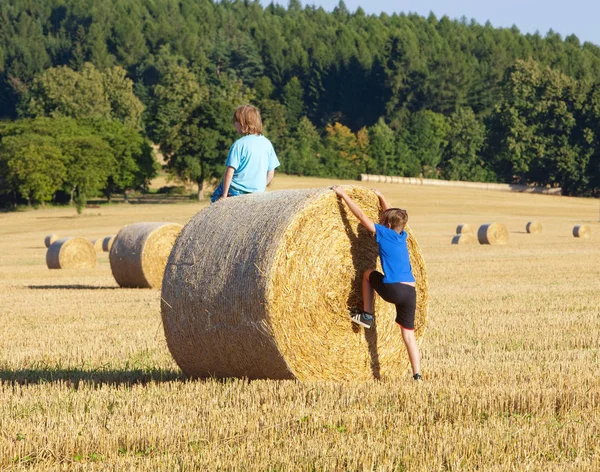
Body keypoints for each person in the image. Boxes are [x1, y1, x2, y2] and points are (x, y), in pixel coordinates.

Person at [331, 186, 422, 381]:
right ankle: (417, 374)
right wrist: (381, 197)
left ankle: (366, 315)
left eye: (382, 220)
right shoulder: (401, 235)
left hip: (393, 288)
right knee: (408, 336)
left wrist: (343, 195)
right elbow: (392, 216)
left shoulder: (384, 232)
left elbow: (362, 216)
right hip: (410, 291)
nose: (379, 220)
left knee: (367, 273)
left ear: (386, 225)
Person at [211, 105, 280, 203]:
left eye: (236, 121)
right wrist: (260, 187)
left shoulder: (238, 145)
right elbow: (271, 172)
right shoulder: (267, 143)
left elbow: (229, 172)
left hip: (236, 190)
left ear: (243, 123)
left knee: (215, 196)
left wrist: (224, 195)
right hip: (257, 191)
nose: (234, 124)